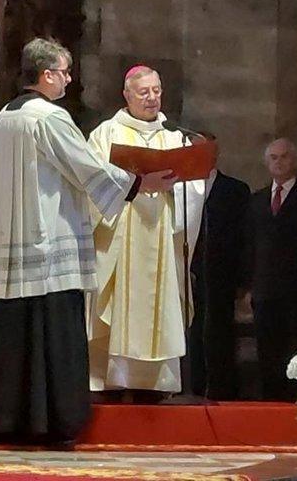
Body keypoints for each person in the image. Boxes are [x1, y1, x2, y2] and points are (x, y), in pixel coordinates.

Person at [0, 39, 174, 445]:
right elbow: (86, 166)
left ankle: (11, 420)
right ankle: (53, 423)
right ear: (46, 74)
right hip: (48, 243)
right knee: (52, 336)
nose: (69, 79)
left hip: (11, 240)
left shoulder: (4, 117)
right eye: (64, 72)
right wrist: (138, 183)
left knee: (18, 339)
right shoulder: (49, 118)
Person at [86, 65, 207, 396]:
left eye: (156, 91)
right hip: (121, 234)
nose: (152, 98)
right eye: (143, 92)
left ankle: (157, 383)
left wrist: (178, 184)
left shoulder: (175, 137)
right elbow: (91, 184)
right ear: (126, 95)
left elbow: (193, 188)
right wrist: (136, 184)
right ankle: (114, 379)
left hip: (163, 232)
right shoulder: (106, 134)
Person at [245, 138, 297, 400]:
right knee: (266, 347)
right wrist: (247, 285)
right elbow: (249, 244)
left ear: (294, 160)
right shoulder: (256, 200)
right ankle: (269, 400)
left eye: (284, 157)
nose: (279, 162)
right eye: (274, 157)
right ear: (267, 163)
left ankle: (293, 400)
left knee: (294, 347)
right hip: (264, 287)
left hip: (296, 287)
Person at [189, 165, 250, 400]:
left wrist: (243, 279)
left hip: (224, 273)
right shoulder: (183, 188)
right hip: (191, 271)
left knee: (221, 329)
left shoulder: (235, 189)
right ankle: (194, 384)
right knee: (194, 329)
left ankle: (223, 387)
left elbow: (244, 236)